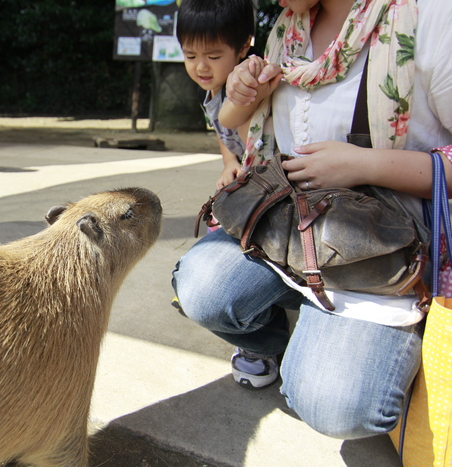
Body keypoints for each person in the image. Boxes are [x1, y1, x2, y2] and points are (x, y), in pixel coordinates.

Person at [172, 0, 452, 440]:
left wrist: (366, 166)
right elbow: (244, 134)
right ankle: (297, 337)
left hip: (379, 254)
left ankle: (341, 345)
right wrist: (245, 98)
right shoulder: (289, 26)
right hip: (286, 225)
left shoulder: (430, 15)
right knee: (202, 288)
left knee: (333, 406)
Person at [176, 0, 255, 190]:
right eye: (191, 56)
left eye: (213, 57)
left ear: (243, 47)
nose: (201, 67)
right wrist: (229, 163)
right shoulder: (205, 90)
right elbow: (219, 129)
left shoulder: (251, 85)